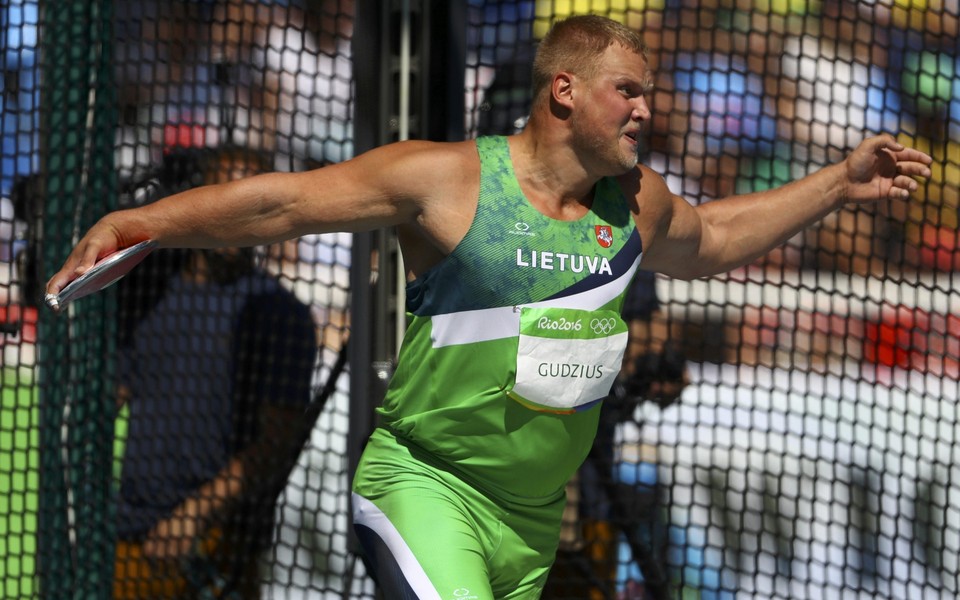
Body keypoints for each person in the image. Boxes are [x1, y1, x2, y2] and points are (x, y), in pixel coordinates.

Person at [47, 14, 932, 599]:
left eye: (649, 93)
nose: (646, 109)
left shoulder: (637, 200)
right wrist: (143, 222)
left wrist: (837, 185)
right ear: (565, 93)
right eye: (628, 90)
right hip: (427, 488)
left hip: (531, 520)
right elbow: (280, 202)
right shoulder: (448, 178)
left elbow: (717, 239)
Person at [110, 146, 318, 599]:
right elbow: (112, 395)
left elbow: (276, 442)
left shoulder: (279, 314)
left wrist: (195, 513)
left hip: (216, 544)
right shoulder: (149, 295)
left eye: (250, 205)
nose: (236, 218)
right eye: (223, 199)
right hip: (128, 534)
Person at [543, 269, 688, 600]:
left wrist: (655, 364)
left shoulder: (626, 235)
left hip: (593, 473)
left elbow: (649, 322)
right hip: (531, 457)